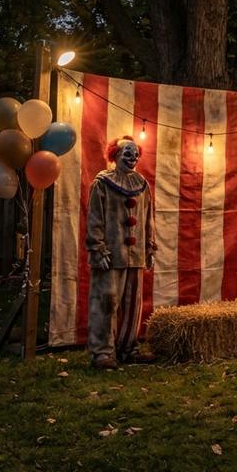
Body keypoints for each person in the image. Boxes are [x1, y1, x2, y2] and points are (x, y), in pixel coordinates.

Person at [85, 136, 158, 369]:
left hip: (134, 255)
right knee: (106, 302)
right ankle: (102, 352)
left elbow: (148, 218)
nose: (133, 158)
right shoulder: (102, 182)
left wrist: (149, 247)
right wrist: (97, 247)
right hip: (110, 255)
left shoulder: (142, 184)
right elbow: (95, 217)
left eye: (136, 154)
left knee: (132, 305)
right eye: (127, 153)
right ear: (115, 155)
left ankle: (128, 348)